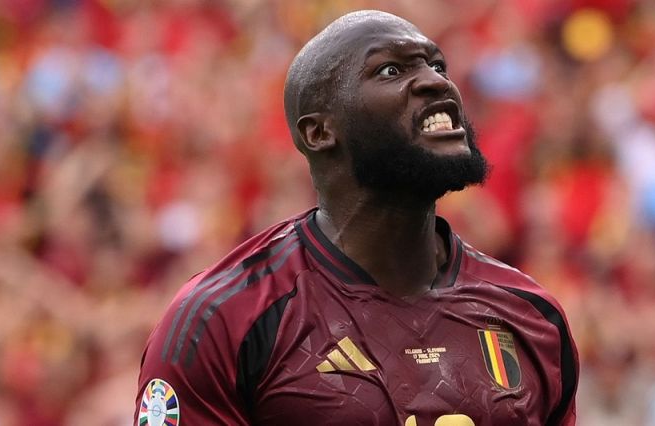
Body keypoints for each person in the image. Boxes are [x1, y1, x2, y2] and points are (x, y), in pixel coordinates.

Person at [135, 10, 578, 426]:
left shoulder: (531, 316)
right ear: (319, 131)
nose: (435, 82)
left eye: (437, 65)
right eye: (391, 70)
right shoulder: (222, 320)